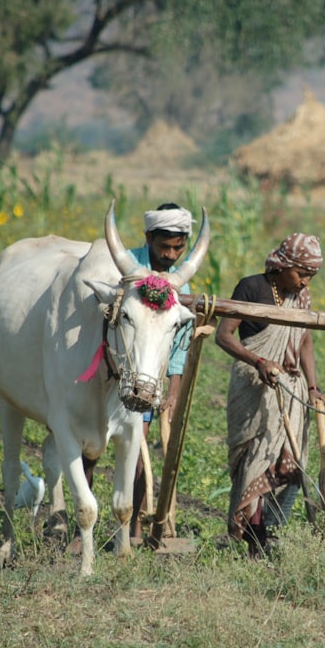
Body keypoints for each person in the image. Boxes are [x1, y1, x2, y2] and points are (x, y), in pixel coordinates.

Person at [215, 232, 325, 556]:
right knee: (256, 459)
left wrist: (312, 386)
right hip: (254, 383)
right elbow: (224, 336)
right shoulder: (251, 287)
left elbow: (304, 340)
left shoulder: (301, 298)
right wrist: (260, 362)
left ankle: (267, 530)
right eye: (301, 274)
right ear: (282, 266)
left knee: (286, 461)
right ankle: (254, 533)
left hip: (289, 386)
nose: (305, 283)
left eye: (310, 276)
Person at [130, 202, 194, 538]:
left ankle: (133, 526)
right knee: (90, 449)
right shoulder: (123, 266)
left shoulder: (180, 284)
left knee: (138, 451)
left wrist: (173, 391)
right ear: (148, 238)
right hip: (113, 373)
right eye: (163, 247)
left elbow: (180, 343)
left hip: (147, 379)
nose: (170, 255)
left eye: (178, 248)